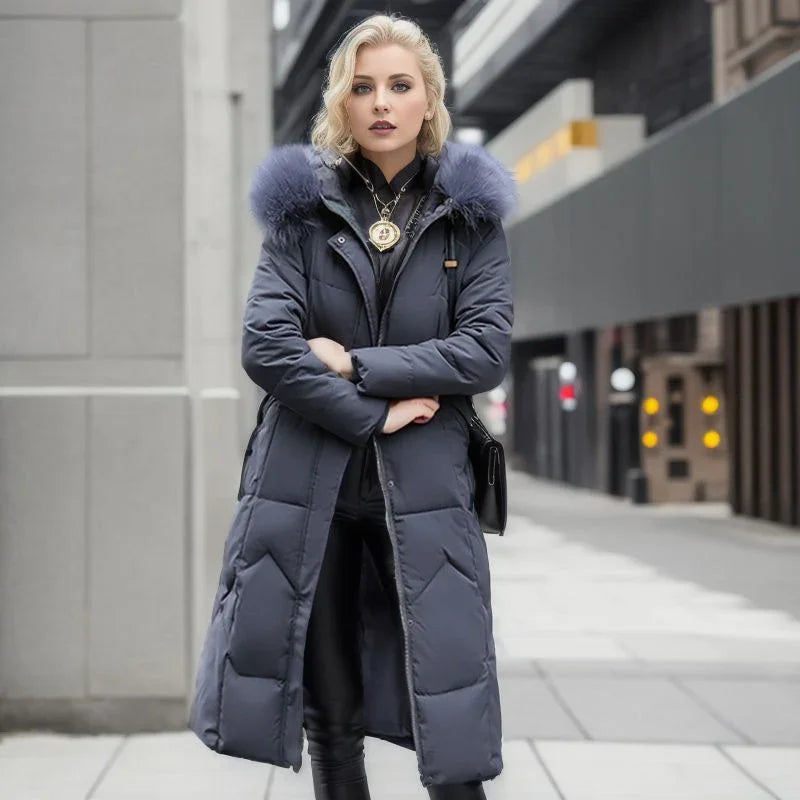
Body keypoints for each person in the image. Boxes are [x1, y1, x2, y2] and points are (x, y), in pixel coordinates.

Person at [188, 13, 517, 800]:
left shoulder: (469, 221)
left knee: (453, 716)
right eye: (363, 86)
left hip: (429, 491)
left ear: (428, 100)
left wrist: (354, 363)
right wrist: (374, 412)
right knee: (331, 723)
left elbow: (482, 352)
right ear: (342, 100)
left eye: (400, 86)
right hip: (312, 492)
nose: (381, 102)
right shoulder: (299, 214)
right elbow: (266, 347)